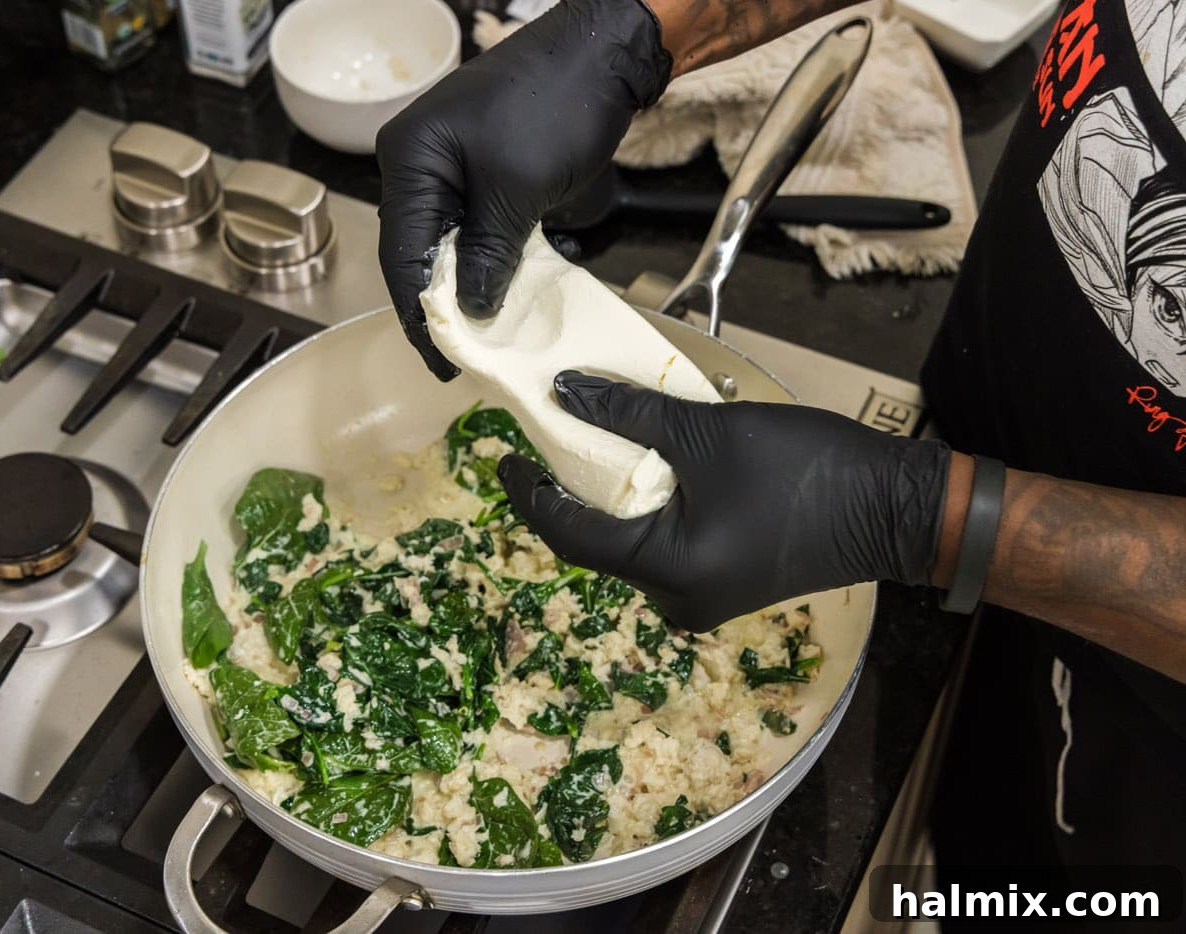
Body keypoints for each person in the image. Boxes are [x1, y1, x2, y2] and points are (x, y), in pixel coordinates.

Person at [374, 0, 1186, 914]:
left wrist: (926, 519)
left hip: (1159, 749)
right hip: (997, 405)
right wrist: (634, 31)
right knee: (972, 842)